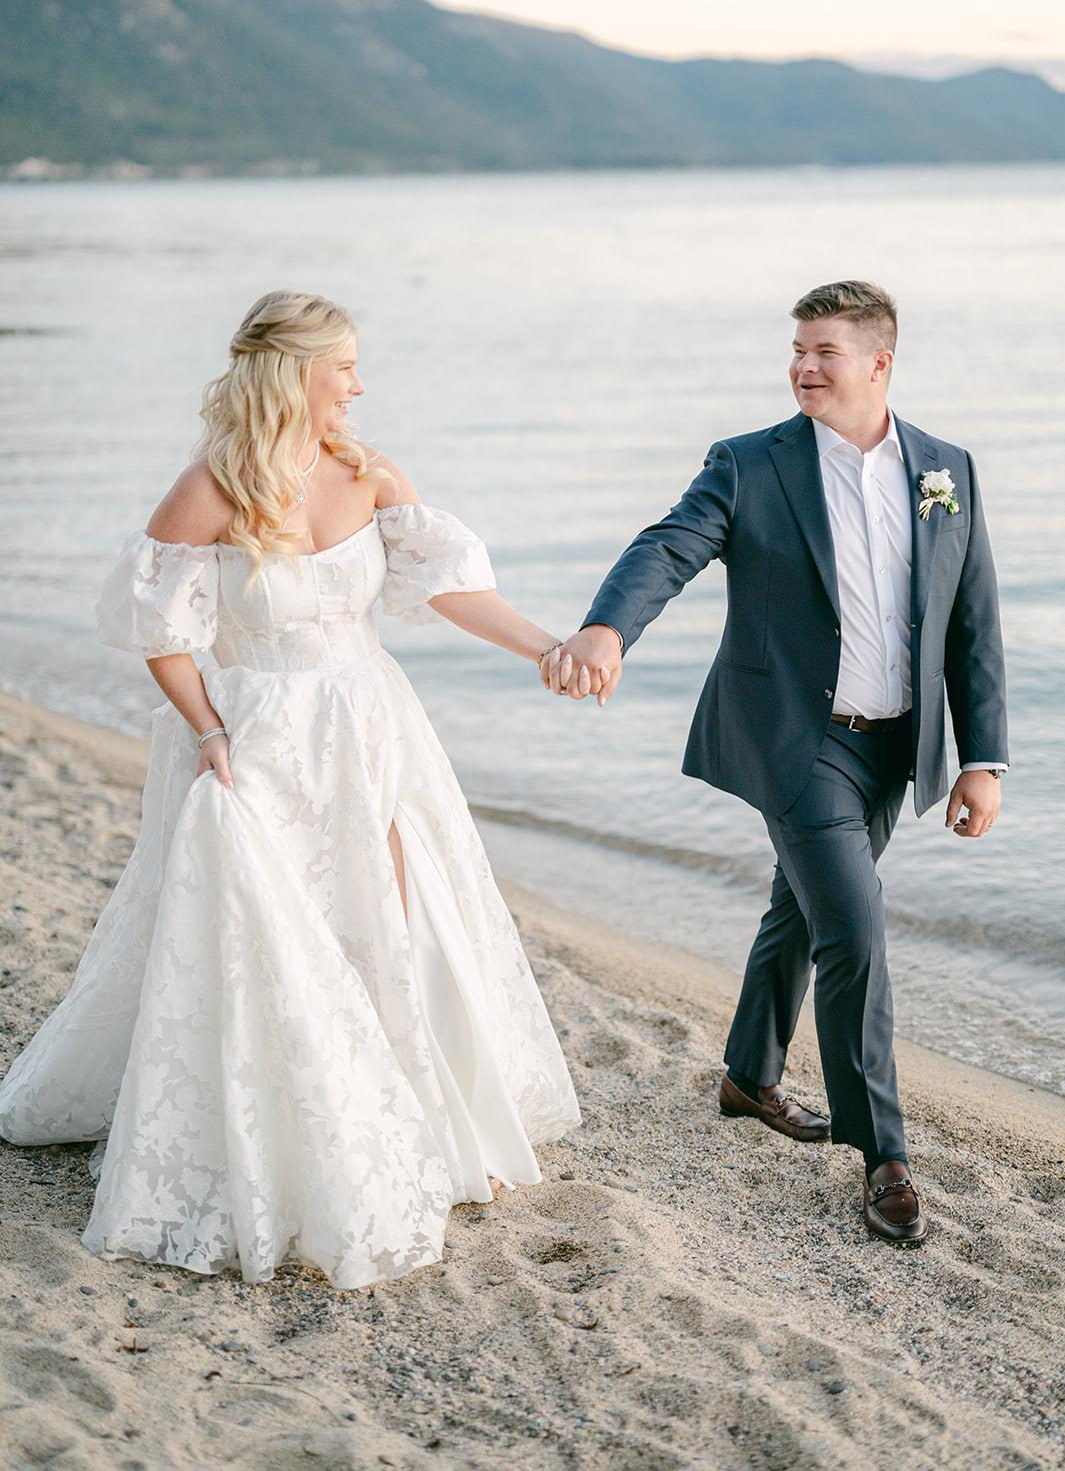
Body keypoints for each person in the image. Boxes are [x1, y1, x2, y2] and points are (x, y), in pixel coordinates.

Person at [0, 290, 579, 1288]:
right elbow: (164, 634)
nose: (358, 385)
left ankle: (426, 1121)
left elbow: (448, 588)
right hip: (254, 736)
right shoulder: (208, 490)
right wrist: (211, 731)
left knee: (391, 914)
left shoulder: (369, 473)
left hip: (368, 726)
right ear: (293, 374)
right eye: (343, 367)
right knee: (273, 931)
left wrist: (549, 646)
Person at [542, 280, 1007, 1244]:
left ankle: (748, 1076)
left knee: (798, 908)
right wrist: (604, 627)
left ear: (878, 363)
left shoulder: (945, 470)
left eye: (824, 351)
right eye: (796, 348)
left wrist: (982, 760)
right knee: (855, 929)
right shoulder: (750, 464)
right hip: (798, 739)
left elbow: (973, 624)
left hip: (894, 748)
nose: (803, 365)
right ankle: (882, 1156)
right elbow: (668, 545)